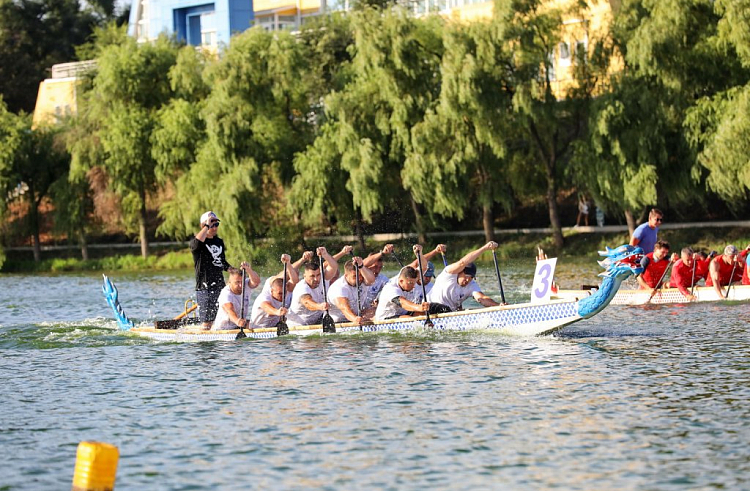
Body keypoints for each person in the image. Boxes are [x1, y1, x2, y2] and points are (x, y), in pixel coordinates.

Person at [190, 211, 242, 328]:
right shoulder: (197, 243)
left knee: (222, 317)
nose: (214, 227)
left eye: (216, 224)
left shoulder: (219, 242)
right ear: (203, 226)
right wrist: (207, 226)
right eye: (211, 224)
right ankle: (205, 340)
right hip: (205, 287)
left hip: (219, 285)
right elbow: (195, 245)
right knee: (207, 322)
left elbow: (222, 262)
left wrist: (235, 271)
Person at [427, 241, 501, 311]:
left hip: (448, 312)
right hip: (429, 308)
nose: (468, 280)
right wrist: (485, 248)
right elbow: (462, 263)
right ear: (460, 272)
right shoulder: (449, 273)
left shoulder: (471, 285)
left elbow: (482, 298)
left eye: (471, 278)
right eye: (466, 276)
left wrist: (498, 306)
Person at [287, 247, 339, 327]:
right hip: (297, 326)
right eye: (312, 276)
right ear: (304, 276)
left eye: (318, 275)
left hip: (316, 322)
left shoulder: (323, 278)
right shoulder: (302, 287)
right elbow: (307, 302)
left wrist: (325, 254)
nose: (316, 279)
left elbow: (334, 266)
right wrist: (320, 306)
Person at [250, 254, 298, 328]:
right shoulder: (265, 296)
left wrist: (288, 263)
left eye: (284, 293)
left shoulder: (286, 291)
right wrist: (277, 312)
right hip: (258, 329)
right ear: (272, 291)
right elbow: (266, 307)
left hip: (275, 327)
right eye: (280, 293)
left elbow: (295, 281)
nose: (283, 296)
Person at [327, 257, 376, 324]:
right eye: (354, 276)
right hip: (338, 322)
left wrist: (361, 266)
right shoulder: (339, 288)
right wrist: (355, 319)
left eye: (360, 275)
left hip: (357, 316)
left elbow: (372, 280)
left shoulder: (362, 281)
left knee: (375, 309)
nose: (359, 279)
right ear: (346, 275)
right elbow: (345, 308)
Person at [212, 266, 260, 330]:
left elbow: (256, 282)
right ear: (229, 282)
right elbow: (229, 310)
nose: (241, 285)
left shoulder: (245, 285)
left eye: (242, 282)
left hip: (239, 325)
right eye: (237, 282)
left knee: (255, 324)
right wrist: (237, 321)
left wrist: (249, 270)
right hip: (223, 329)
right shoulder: (226, 294)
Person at [362, 243, 396, 309]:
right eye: (375, 267)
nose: (377, 270)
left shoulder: (382, 279)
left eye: (380, 267)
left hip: (370, 309)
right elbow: (362, 264)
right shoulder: (358, 275)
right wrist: (383, 252)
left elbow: (393, 287)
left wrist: (379, 299)